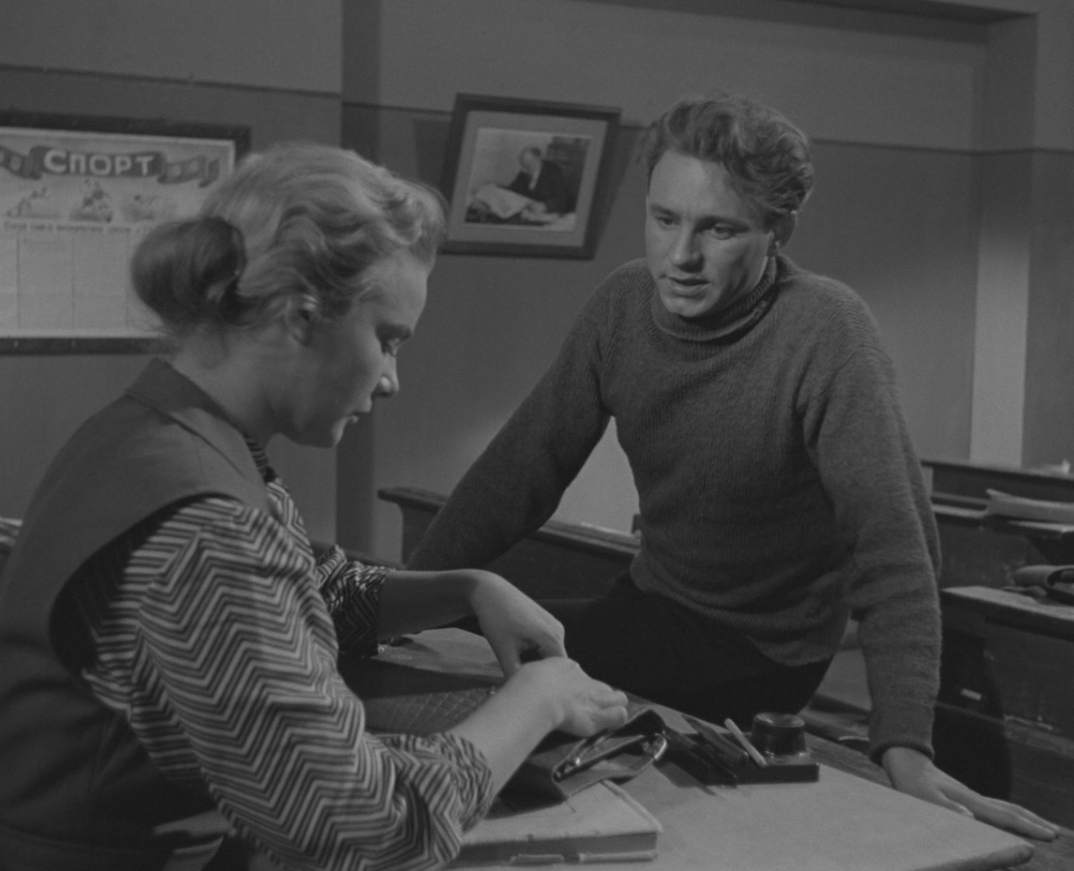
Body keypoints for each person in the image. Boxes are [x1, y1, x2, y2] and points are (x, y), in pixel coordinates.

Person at [0, 143, 629, 871]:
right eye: (387, 340)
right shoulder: (205, 527)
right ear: (302, 315)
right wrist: (537, 701)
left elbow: (296, 592)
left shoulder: (153, 432)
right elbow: (363, 828)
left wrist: (464, 589)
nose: (391, 378)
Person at [407, 95, 1059, 841]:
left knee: (511, 696)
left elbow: (896, 553)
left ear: (778, 231)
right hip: (652, 604)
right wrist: (397, 604)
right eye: (664, 220)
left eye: (718, 229)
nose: (681, 256)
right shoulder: (622, 305)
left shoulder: (826, 331)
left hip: (761, 651)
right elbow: (517, 474)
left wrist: (905, 748)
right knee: (452, 651)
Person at [505, 145, 571, 217]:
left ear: (537, 161)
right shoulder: (525, 171)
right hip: (527, 212)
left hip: (545, 214)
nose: (523, 170)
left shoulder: (554, 171)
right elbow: (513, 189)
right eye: (522, 164)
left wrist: (545, 206)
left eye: (527, 166)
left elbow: (562, 199)